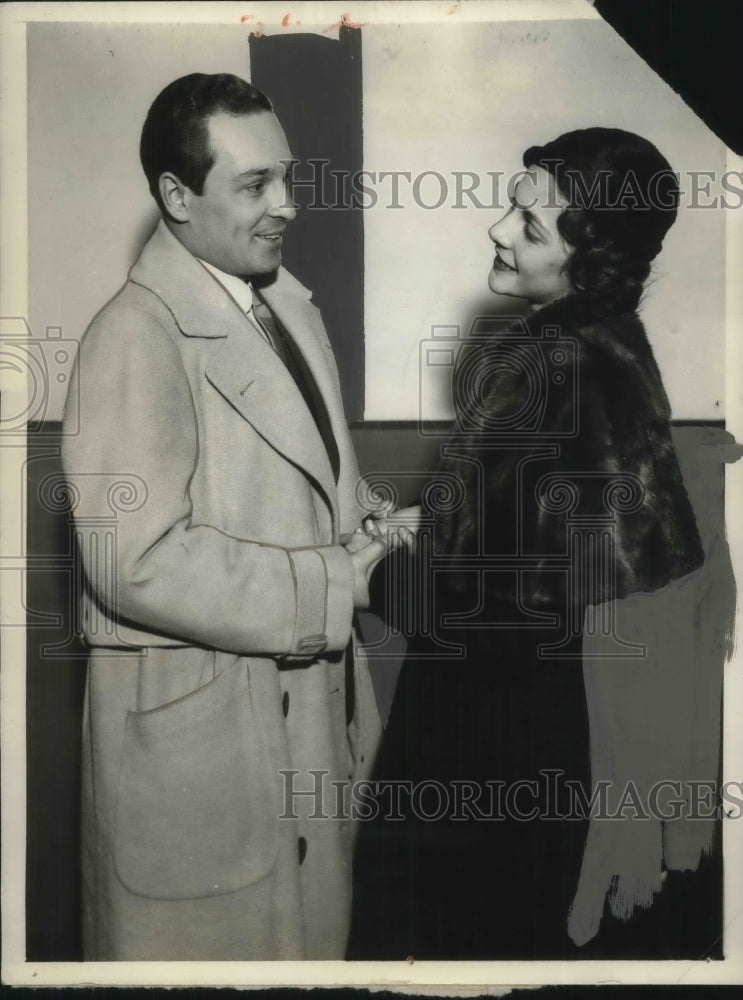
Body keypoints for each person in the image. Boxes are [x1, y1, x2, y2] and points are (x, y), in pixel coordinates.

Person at [348, 128, 733, 959]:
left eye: (528, 225)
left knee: (457, 942)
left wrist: (376, 573)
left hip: (490, 740)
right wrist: (437, 529)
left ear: (585, 258)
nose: (496, 230)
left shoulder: (538, 363)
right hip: (568, 731)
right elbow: (578, 552)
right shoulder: (616, 343)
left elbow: (488, 615)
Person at [61, 73, 397, 961]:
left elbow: (319, 481)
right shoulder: (133, 334)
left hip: (300, 712)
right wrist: (327, 580)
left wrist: (388, 526)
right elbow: (130, 558)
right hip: (205, 741)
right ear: (177, 196)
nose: (286, 204)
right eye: (254, 185)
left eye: (285, 177)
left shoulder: (285, 305)